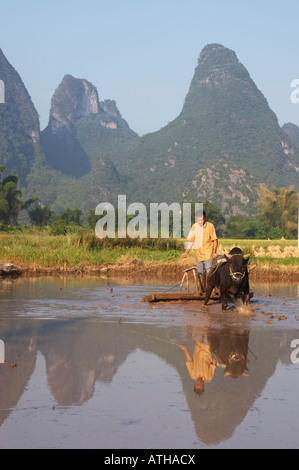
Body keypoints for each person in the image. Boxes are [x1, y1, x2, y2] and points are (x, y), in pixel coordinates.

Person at [181, 210, 218, 292]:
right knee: (201, 273)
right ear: (196, 219)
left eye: (202, 220)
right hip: (199, 255)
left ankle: (212, 290)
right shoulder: (194, 227)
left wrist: (214, 252)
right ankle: (203, 290)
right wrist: (186, 252)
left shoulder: (210, 226)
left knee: (209, 273)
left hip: (208, 254)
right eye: (198, 220)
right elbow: (191, 241)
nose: (200, 222)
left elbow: (215, 240)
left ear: (205, 218)